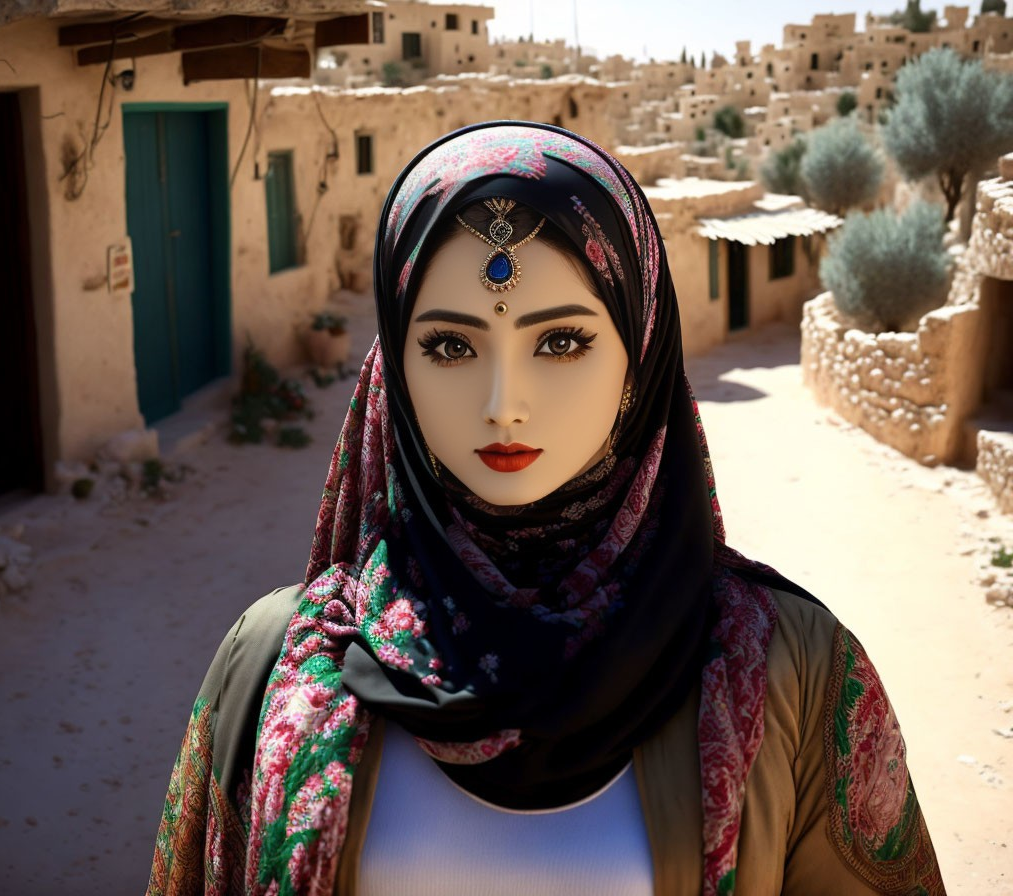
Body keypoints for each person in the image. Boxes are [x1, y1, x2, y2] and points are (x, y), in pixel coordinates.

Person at [146, 121, 944, 895]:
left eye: (561, 341)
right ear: (393, 365)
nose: (503, 405)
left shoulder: (793, 672)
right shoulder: (272, 662)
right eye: (450, 347)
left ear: (641, 354)